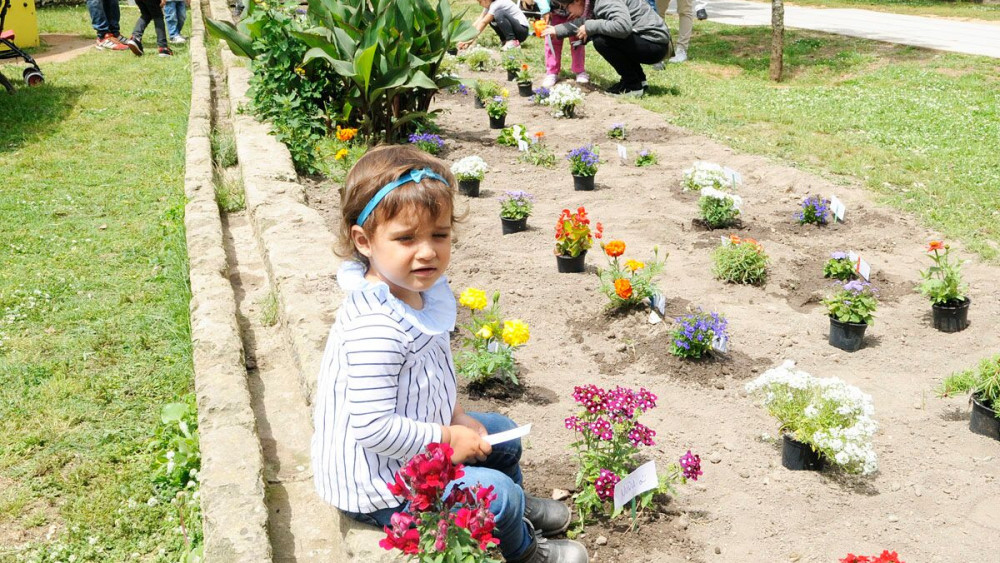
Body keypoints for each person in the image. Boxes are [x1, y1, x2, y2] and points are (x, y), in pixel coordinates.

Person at [311, 145, 589, 563]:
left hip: (413, 452)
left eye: (439, 235)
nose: (427, 251)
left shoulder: (415, 292)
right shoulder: (375, 325)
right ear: (364, 241)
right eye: (406, 238)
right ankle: (522, 549)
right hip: (380, 485)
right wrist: (445, 439)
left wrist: (456, 416)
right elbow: (372, 428)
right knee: (497, 496)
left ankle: (516, 512)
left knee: (502, 435)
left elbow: (430, 376)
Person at [541, 0, 671, 97]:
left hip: (655, 45)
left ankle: (632, 86)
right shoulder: (592, 3)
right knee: (602, 33)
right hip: (650, 42)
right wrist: (556, 30)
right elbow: (584, 21)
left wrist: (591, 26)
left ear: (577, 1)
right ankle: (639, 80)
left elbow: (622, 27)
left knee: (601, 39)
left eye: (567, 7)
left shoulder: (604, 1)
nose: (568, 11)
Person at [535, 0, 588, 87]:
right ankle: (552, 72)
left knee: (577, 40)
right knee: (552, 41)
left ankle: (579, 70)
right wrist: (545, 10)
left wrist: (580, 7)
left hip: (574, 12)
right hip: (554, 12)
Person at [458, 0, 531, 51]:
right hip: (516, 30)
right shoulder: (489, 6)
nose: (480, 4)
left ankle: (512, 41)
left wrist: (471, 40)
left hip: (522, 30)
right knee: (491, 18)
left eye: (480, 1)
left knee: (499, 14)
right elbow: (480, 20)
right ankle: (505, 41)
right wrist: (466, 38)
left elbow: (483, 22)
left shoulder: (497, 4)